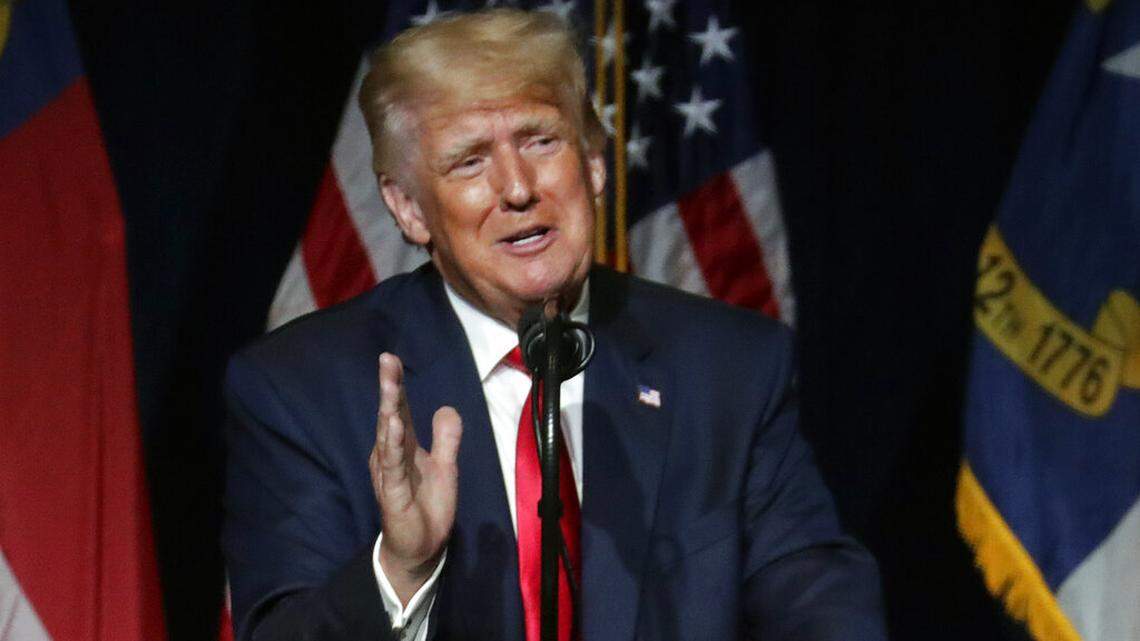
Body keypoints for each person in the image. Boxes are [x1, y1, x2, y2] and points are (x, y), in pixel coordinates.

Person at [223, 9, 886, 641]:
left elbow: (823, 608)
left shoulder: (731, 370)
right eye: (470, 160)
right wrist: (401, 568)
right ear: (408, 207)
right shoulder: (302, 390)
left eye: (541, 141)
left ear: (594, 161)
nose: (518, 188)